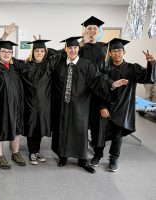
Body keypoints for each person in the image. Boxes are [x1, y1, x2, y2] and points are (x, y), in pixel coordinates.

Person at [51, 36, 128, 173]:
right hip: (62, 105)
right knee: (62, 129)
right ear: (66, 49)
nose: (73, 50)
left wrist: (111, 83)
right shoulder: (59, 64)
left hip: (80, 104)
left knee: (80, 131)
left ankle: (82, 160)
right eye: (70, 47)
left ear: (79, 48)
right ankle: (63, 156)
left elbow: (99, 79)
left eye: (75, 47)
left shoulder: (87, 65)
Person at [90, 38, 155, 172]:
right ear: (110, 53)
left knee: (117, 134)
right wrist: (102, 107)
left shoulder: (132, 68)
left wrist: (150, 63)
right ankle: (97, 155)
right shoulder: (104, 70)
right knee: (100, 133)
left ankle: (113, 159)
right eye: (113, 51)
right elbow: (97, 90)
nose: (117, 53)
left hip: (123, 107)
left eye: (119, 50)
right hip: (106, 107)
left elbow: (148, 78)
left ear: (124, 52)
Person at [14, 39, 64, 165]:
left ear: (45, 52)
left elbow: (61, 54)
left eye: (42, 50)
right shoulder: (26, 64)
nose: (39, 53)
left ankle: (36, 151)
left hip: (44, 103)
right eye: (37, 50)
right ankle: (32, 152)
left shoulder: (49, 65)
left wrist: (49, 51)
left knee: (41, 127)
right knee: (32, 127)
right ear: (32, 52)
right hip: (29, 103)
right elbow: (11, 60)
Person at [0, 40, 27, 169]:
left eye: (9, 52)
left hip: (16, 106)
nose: (6, 54)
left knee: (16, 129)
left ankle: (15, 153)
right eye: (4, 51)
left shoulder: (14, 68)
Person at [78, 16, 108, 148]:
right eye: (89, 28)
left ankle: (96, 145)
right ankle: (81, 145)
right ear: (85, 31)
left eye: (95, 28)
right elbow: (69, 57)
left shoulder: (105, 47)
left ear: (99, 31)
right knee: (81, 118)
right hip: (82, 87)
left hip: (99, 86)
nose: (92, 30)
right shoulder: (80, 46)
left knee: (97, 119)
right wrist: (82, 43)